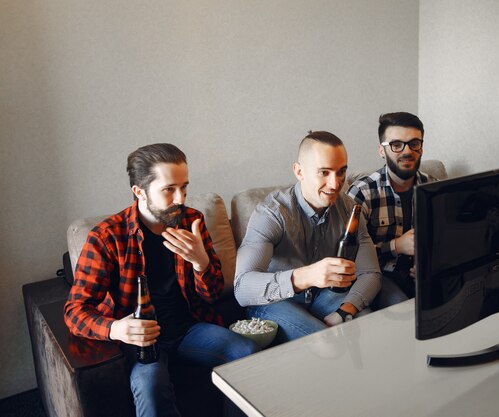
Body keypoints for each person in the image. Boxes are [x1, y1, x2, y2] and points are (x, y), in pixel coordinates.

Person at [64, 143, 258, 417]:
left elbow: (213, 294)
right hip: (143, 340)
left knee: (247, 352)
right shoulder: (107, 237)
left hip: (189, 328)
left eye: (184, 187)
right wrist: (115, 329)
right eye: (169, 189)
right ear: (139, 191)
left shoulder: (192, 221)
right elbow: (75, 311)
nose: (180, 198)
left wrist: (200, 262)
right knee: (150, 385)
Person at [234, 131, 382, 342]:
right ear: (299, 171)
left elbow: (371, 273)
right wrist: (307, 276)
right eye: (324, 172)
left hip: (325, 295)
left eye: (341, 172)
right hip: (275, 301)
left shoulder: (350, 208)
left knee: (367, 330)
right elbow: (242, 288)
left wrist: (345, 310)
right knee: (327, 343)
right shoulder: (271, 212)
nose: (335, 184)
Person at [347, 112, 437, 307]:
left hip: (424, 274)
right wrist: (396, 246)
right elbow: (349, 257)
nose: (407, 151)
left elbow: (447, 239)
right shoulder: (362, 193)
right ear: (381, 150)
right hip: (381, 276)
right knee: (404, 308)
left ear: (421, 147)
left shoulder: (434, 188)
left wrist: (433, 261)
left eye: (414, 143)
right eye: (396, 145)